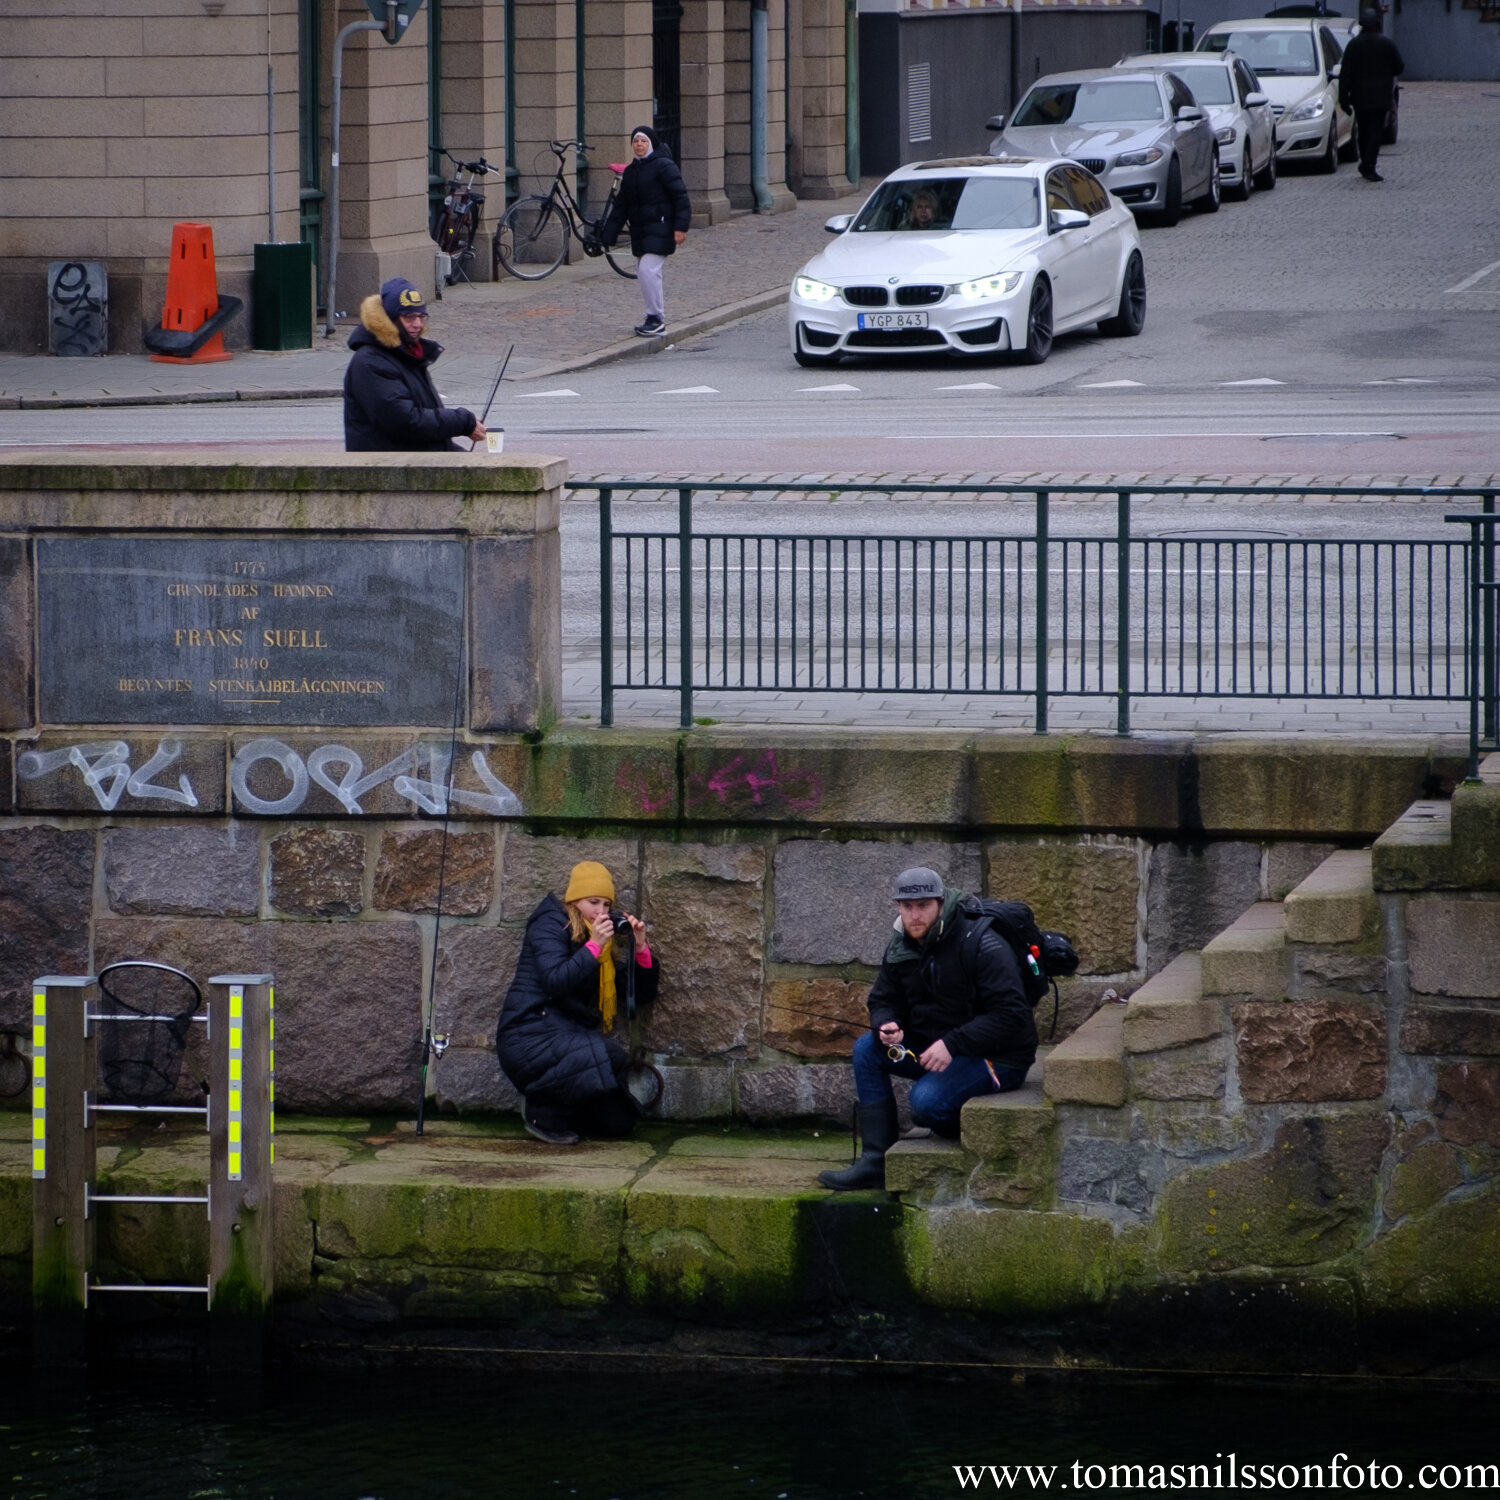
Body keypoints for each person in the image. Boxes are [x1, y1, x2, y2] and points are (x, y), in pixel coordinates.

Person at [818, 866, 1037, 1192]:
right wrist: (887, 1024)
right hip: (939, 1048)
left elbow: (1012, 1015)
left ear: (940, 902)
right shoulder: (900, 945)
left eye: (923, 906)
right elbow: (882, 999)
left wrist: (952, 1044)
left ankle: (949, 1115)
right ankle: (876, 1163)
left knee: (925, 1104)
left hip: (999, 1057)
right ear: (898, 907)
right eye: (907, 907)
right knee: (867, 1048)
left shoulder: (981, 943)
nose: (915, 915)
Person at [496, 860, 658, 1145]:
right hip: (527, 1034)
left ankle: (564, 1115)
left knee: (619, 1121)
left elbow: (641, 995)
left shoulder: (600, 945)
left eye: (607, 905)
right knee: (605, 1055)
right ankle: (541, 1113)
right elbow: (555, 981)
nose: (601, 912)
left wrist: (640, 947)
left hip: (563, 1037)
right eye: (593, 902)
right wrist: (593, 946)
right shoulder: (549, 923)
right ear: (574, 900)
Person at [342, 277, 485, 451]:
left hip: (414, 466)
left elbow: (427, 435)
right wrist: (462, 421)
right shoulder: (371, 362)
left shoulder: (408, 354)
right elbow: (404, 422)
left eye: (421, 316)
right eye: (408, 317)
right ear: (390, 319)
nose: (417, 324)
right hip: (388, 471)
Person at [599, 125, 692, 338]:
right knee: (643, 271)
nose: (639, 145)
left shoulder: (664, 166)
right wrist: (608, 234)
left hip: (661, 227)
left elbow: (681, 197)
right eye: (635, 141)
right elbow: (621, 206)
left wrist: (680, 227)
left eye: (643, 141)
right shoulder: (631, 171)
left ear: (651, 143)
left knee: (649, 270)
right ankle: (652, 317)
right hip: (641, 230)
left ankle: (657, 318)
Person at [1337, 9, 1404, 183]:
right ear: (1377, 24)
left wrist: (1343, 99)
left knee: (1364, 131)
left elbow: (1345, 74)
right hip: (1381, 97)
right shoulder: (1387, 44)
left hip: (1360, 98)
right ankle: (1369, 164)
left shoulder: (1354, 45)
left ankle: (1365, 162)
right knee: (1375, 131)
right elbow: (1399, 67)